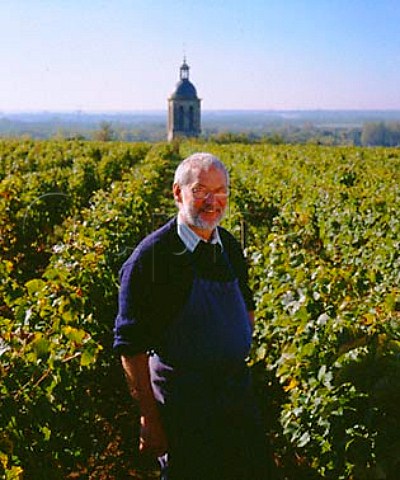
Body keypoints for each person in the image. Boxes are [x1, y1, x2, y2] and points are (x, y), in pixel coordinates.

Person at [113, 152, 268, 479]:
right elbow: (131, 346)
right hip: (185, 409)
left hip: (236, 399)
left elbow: (247, 304)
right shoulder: (152, 259)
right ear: (177, 193)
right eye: (200, 191)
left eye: (221, 190)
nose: (213, 201)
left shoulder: (228, 245)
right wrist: (149, 419)